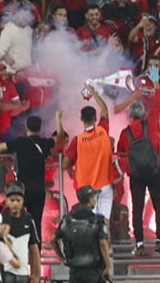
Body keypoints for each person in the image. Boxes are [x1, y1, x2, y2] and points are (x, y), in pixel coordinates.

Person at [118, 101, 160, 255]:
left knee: (137, 209)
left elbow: (120, 153)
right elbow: (158, 104)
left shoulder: (124, 133)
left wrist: (128, 170)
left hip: (136, 176)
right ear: (143, 114)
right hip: (154, 173)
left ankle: (139, 245)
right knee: (159, 207)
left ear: (130, 116)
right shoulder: (151, 125)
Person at [0, 115, 55, 239]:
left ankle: (18, 251)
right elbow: (58, 139)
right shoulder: (44, 143)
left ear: (27, 127)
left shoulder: (20, 142)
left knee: (17, 221)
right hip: (39, 189)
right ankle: (36, 254)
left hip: (21, 190)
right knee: (36, 223)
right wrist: (57, 118)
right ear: (40, 128)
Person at [62, 85, 114, 220]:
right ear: (96, 118)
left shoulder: (77, 141)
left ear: (81, 119)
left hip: (86, 188)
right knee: (104, 221)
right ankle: (105, 241)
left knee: (90, 221)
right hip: (105, 185)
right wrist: (93, 92)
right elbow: (104, 109)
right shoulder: (103, 131)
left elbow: (64, 164)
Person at [52, 186, 112, 283]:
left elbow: (53, 240)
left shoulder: (67, 220)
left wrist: (62, 258)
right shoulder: (98, 220)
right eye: (93, 197)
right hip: (94, 271)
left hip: (75, 271)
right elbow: (103, 244)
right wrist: (108, 266)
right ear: (90, 199)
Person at [0, 182, 40, 283]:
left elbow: (34, 249)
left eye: (18, 200)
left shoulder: (28, 219)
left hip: (23, 274)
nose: (15, 203)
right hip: (4, 273)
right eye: (12, 200)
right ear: (7, 199)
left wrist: (36, 274)